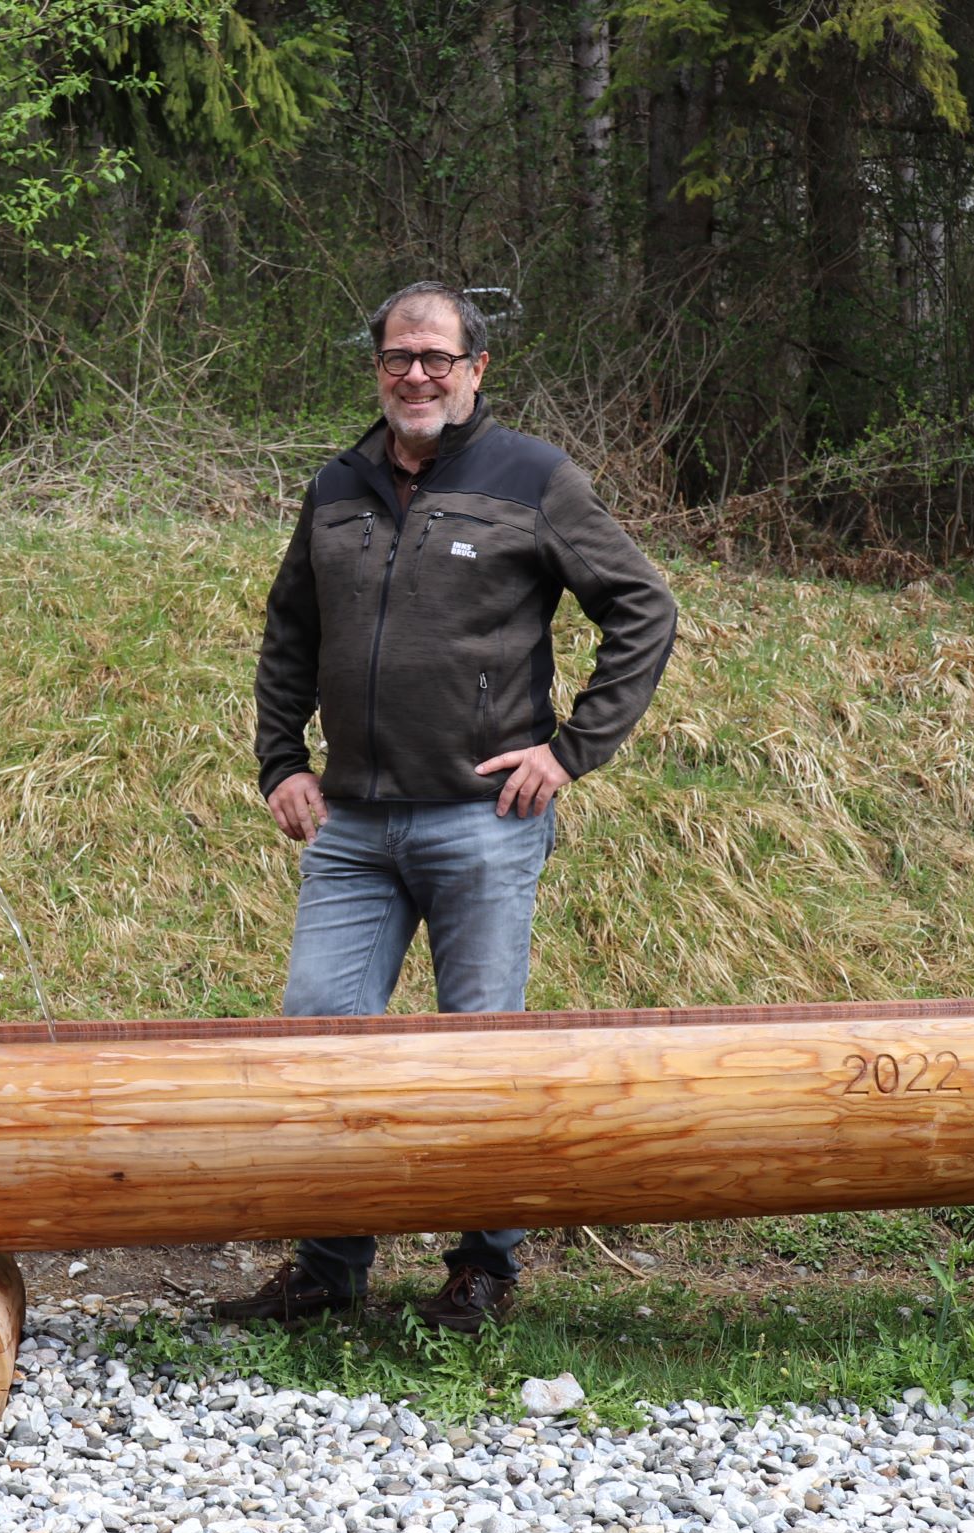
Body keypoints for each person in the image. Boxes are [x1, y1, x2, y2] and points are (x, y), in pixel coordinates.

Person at [214, 281, 678, 1334]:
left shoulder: (533, 479)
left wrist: (569, 750)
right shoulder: (335, 485)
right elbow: (290, 631)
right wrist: (279, 758)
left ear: (476, 369)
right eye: (395, 356)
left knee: (483, 1050)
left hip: (483, 821)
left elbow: (642, 607)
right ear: (376, 367)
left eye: (435, 356)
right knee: (322, 1036)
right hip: (352, 827)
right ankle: (330, 1266)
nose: (413, 374)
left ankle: (483, 1267)